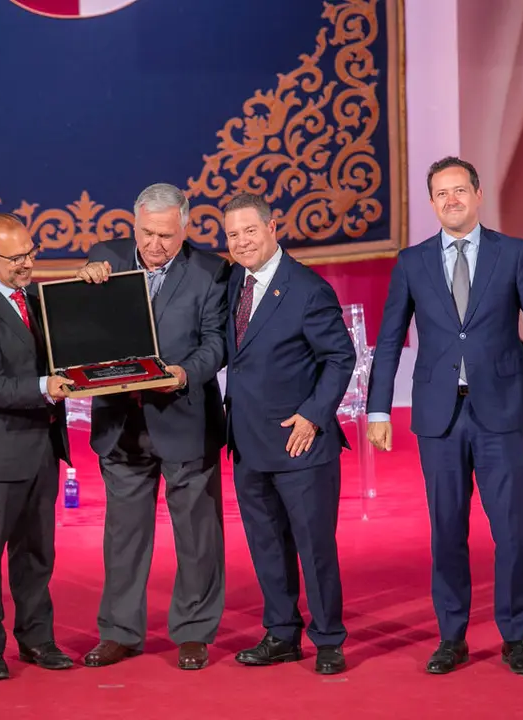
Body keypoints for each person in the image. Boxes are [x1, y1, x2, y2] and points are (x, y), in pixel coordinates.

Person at [365, 157, 523, 676]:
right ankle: (451, 636)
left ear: (479, 195)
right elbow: (390, 339)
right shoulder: (412, 262)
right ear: (432, 202)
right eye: (442, 193)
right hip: (439, 416)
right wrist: (378, 407)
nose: (451, 200)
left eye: (460, 190)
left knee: (511, 531)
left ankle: (515, 637)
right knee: (446, 531)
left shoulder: (513, 253)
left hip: (500, 411)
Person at [75, 183, 229, 670]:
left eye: (166, 235)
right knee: (123, 535)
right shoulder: (104, 260)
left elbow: (217, 343)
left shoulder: (211, 272)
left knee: (197, 535)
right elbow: (79, 329)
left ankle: (194, 632)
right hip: (120, 424)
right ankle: (119, 632)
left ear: (185, 227)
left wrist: (185, 373)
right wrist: (81, 286)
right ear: (132, 224)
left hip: (185, 418)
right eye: (146, 233)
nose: (155, 244)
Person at [222, 192, 356, 675]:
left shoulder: (307, 289)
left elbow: (340, 357)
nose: (241, 242)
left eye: (249, 231)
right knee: (266, 544)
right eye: (232, 235)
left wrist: (314, 415)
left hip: (301, 444)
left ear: (272, 228)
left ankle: (328, 639)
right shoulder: (234, 281)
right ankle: (281, 633)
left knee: (313, 545)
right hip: (248, 443)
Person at [0, 212, 75, 680]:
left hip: (41, 449)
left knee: (37, 553)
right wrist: (47, 386)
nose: (27, 263)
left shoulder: (35, 298)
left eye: (30, 252)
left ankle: (38, 640)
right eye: (16, 257)